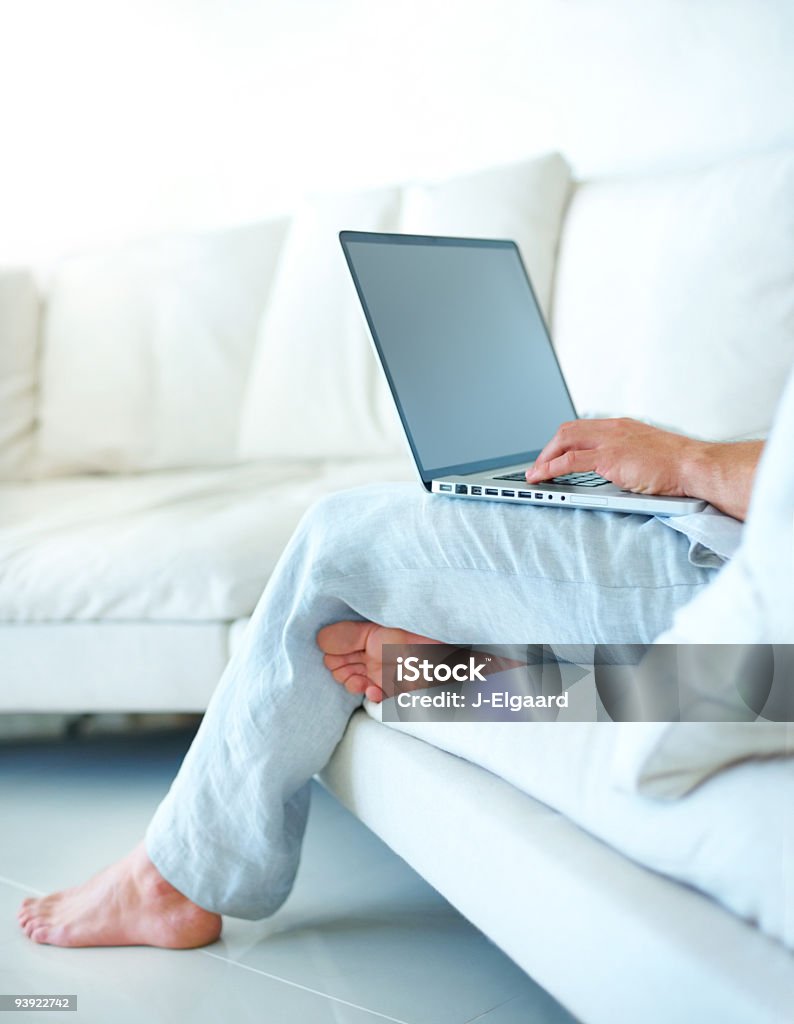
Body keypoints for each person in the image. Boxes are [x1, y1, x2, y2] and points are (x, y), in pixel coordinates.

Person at [16, 417, 765, 948]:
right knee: (745, 679)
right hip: (758, 630)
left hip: (741, 576)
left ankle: (174, 880)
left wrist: (694, 461)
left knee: (341, 541)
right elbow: (760, 687)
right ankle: (476, 673)